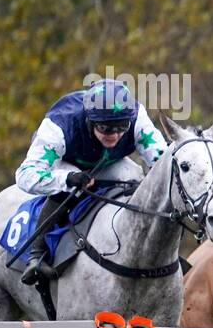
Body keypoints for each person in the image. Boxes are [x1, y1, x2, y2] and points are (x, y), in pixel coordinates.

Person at [16, 79, 167, 285]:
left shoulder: (136, 116)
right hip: (65, 161)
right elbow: (25, 175)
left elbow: (163, 162)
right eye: (105, 128)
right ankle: (37, 253)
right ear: (90, 121)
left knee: (134, 175)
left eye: (122, 127)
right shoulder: (59, 126)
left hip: (106, 160)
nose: (114, 135)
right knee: (73, 190)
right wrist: (68, 179)